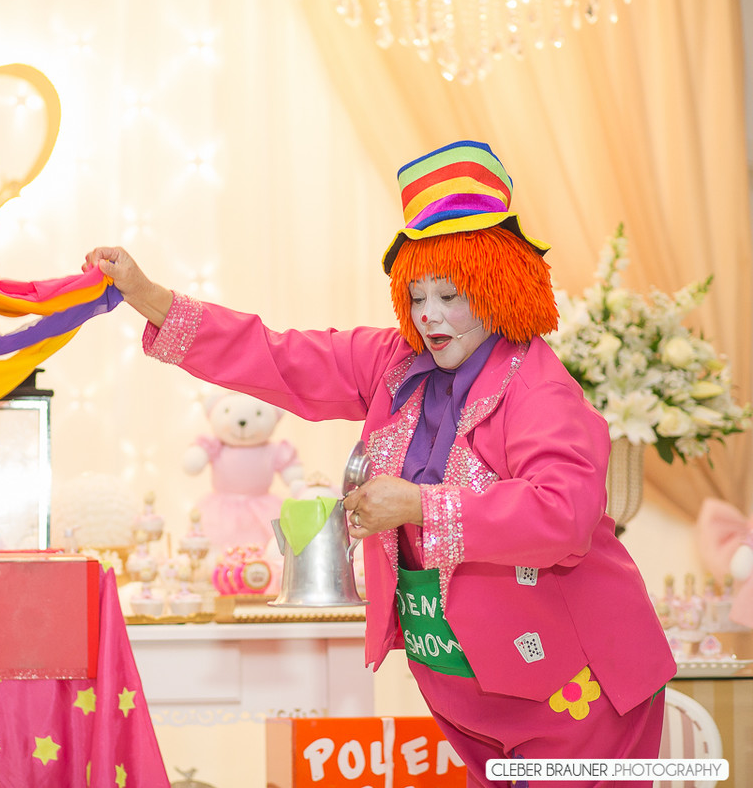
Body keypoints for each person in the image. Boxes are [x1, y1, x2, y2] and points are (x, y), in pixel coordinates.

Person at [84, 140, 675, 786]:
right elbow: (280, 356)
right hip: (472, 689)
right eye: (418, 295)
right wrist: (148, 295)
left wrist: (419, 505)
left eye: (451, 295)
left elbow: (563, 514)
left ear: (500, 286)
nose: (431, 315)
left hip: (573, 687)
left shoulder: (540, 391)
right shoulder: (397, 363)